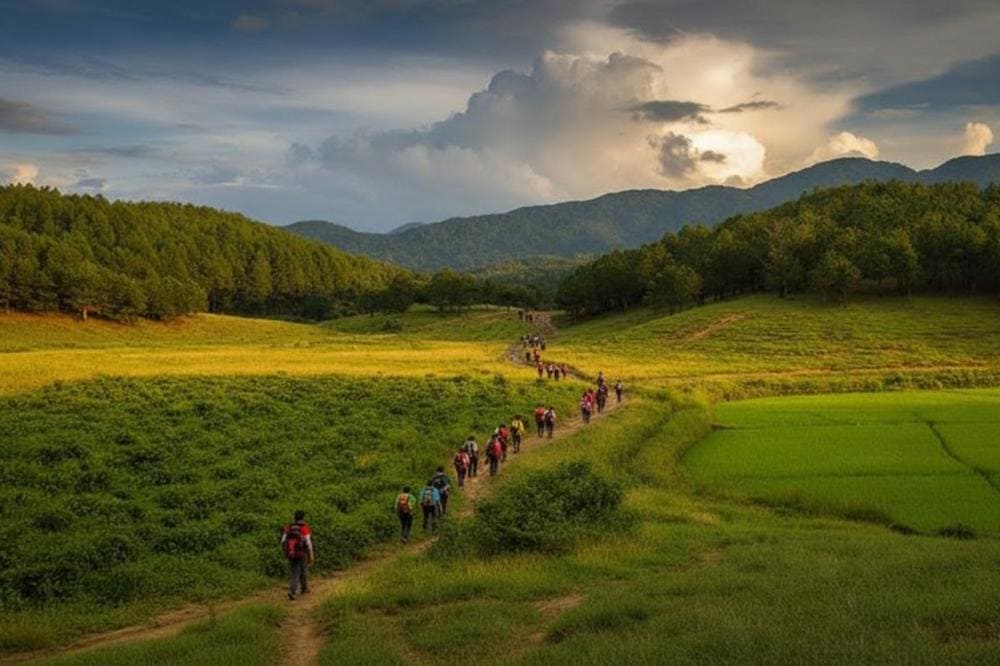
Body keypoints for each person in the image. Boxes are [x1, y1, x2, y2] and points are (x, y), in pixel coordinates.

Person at [281, 510, 314, 600]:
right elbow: (308, 542)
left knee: (297, 571)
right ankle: (292, 591)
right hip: (302, 553)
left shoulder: (289, 527)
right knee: (301, 571)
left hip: (291, 553)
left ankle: (304, 588)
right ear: (303, 518)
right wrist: (311, 555)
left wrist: (286, 552)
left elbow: (283, 541)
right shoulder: (304, 527)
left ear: (294, 517)